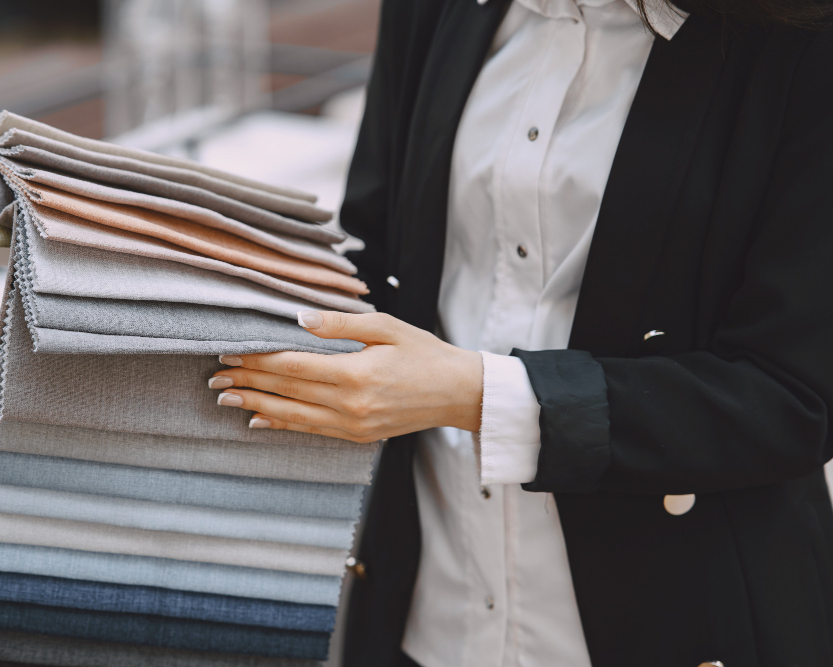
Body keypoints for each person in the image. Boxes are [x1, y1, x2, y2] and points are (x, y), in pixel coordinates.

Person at [208, 0, 833, 664]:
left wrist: (480, 396)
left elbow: (794, 397)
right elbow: (376, 247)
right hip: (428, 613)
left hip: (674, 618)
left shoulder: (802, 41)